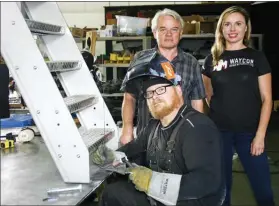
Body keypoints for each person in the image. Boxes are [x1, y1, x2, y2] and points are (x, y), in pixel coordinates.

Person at [92, 53, 225, 206]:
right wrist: (110, 157)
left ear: (178, 90)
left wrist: (151, 182)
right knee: (114, 187)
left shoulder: (197, 128)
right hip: (162, 199)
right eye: (149, 93)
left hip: (190, 201)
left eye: (161, 89)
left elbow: (207, 182)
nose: (155, 97)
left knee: (114, 194)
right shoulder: (153, 127)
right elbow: (132, 151)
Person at [201, 6, 274, 206]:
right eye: (227, 24)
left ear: (245, 29)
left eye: (238, 24)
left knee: (264, 192)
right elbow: (208, 95)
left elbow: (268, 99)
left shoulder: (257, 57)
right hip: (219, 132)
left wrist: (260, 135)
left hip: (250, 133)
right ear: (221, 29)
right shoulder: (211, 60)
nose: (233, 29)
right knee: (222, 192)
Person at [120, 8, 206, 146]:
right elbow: (129, 97)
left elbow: (197, 101)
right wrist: (127, 129)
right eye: (163, 29)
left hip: (183, 138)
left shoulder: (191, 62)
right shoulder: (140, 60)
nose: (168, 34)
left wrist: (199, 131)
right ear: (154, 33)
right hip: (147, 138)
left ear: (181, 33)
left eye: (174, 29)